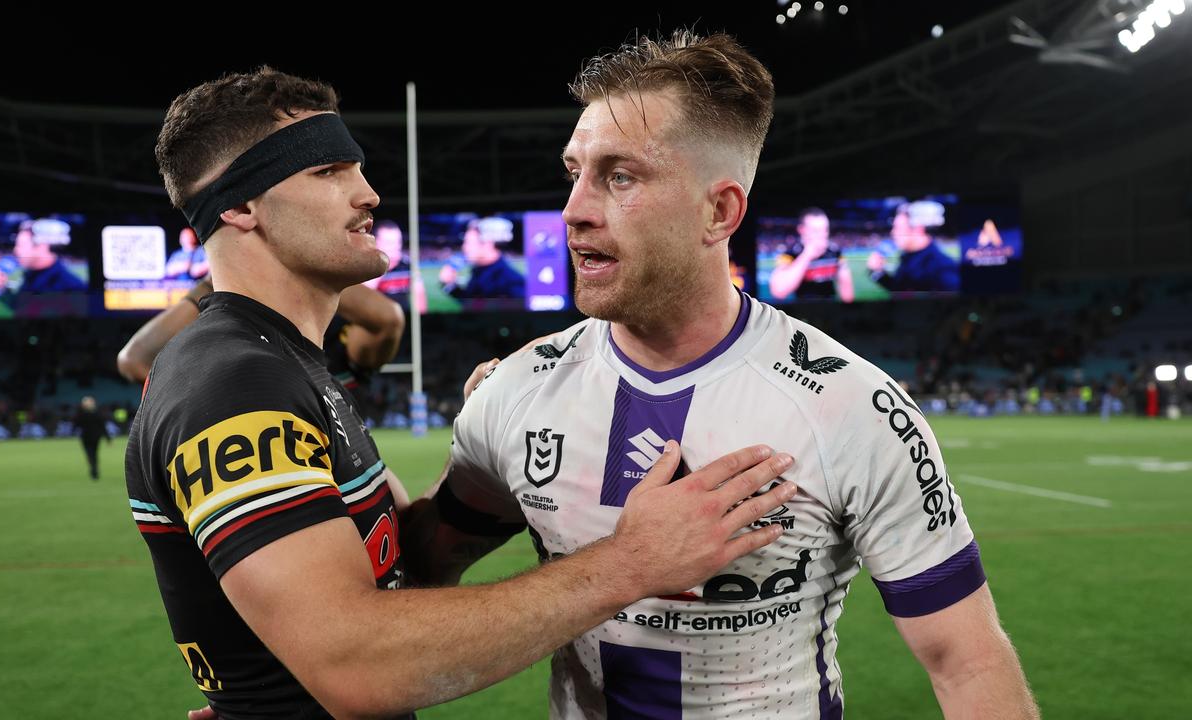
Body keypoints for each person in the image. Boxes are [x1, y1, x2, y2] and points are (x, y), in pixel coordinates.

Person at [128, 66, 796, 720]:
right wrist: (633, 561)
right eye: (327, 172)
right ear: (240, 206)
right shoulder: (235, 384)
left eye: (356, 168)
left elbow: (399, 568)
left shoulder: (285, 364)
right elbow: (358, 665)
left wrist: (490, 450)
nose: (367, 194)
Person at [404, 31, 1038, 719]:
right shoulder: (521, 391)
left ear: (720, 212)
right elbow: (422, 564)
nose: (574, 210)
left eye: (620, 176)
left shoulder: (852, 405)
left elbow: (967, 662)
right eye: (575, 173)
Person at [116, 276, 404, 391]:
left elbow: (387, 319)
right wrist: (214, 284)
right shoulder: (230, 355)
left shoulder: (335, 356)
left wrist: (293, 266)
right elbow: (135, 358)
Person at [0, 218, 88, 308]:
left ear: (41, 247)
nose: (15, 250)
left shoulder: (71, 287)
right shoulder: (31, 275)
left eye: (21, 245)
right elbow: (23, 307)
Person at [866, 201, 961, 293]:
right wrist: (877, 273)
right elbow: (901, 292)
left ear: (918, 230)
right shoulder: (909, 258)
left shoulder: (941, 267)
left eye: (897, 228)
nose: (893, 233)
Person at [767, 208, 855, 303]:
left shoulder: (835, 252)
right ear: (801, 230)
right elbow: (779, 292)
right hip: (800, 312)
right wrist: (807, 255)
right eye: (815, 231)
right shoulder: (790, 254)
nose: (822, 235)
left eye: (825, 230)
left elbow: (848, 296)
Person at [438, 216, 525, 299]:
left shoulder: (509, 281)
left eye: (469, 242)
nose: (464, 247)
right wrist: (449, 286)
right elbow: (473, 304)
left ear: (488, 244)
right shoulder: (479, 271)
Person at [362, 220, 426, 314]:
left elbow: (420, 298)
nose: (395, 247)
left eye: (397, 242)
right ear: (375, 243)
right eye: (389, 243)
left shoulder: (407, 265)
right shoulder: (366, 266)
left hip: (403, 319)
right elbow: (362, 299)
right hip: (375, 320)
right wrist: (383, 267)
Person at [73, 395, 108, 480]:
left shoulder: (84, 414)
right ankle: (94, 468)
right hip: (92, 437)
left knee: (90, 454)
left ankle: (93, 468)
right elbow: (102, 426)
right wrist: (108, 438)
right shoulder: (94, 413)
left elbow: (76, 424)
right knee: (93, 454)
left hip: (88, 437)